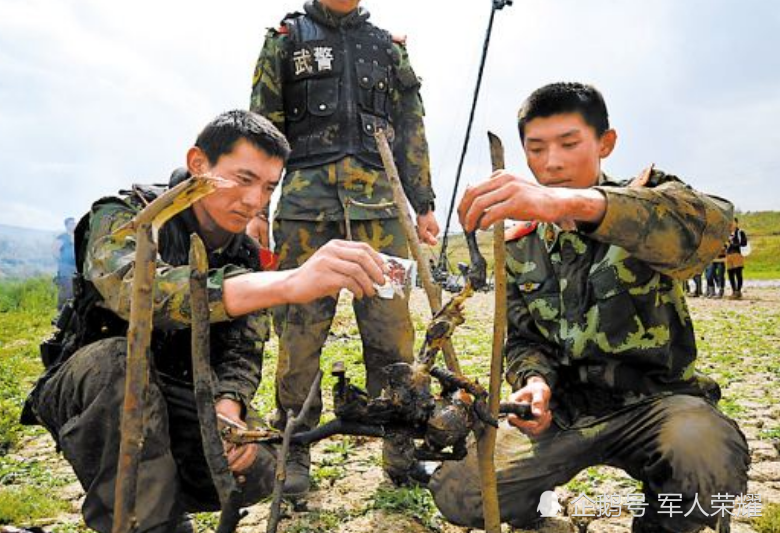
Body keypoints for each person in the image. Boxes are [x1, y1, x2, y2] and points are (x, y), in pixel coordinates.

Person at [21, 110, 390, 533]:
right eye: (243, 178)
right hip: (94, 388)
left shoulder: (244, 254)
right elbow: (138, 292)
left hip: (179, 395)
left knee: (262, 462)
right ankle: (151, 521)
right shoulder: (129, 215)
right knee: (119, 361)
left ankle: (158, 495)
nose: (255, 201)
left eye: (269, 187)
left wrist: (228, 405)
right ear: (199, 164)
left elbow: (242, 350)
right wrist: (287, 283)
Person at [428, 83, 749, 532]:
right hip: (568, 414)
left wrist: (574, 203)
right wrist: (535, 383)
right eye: (536, 148)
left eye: (569, 143)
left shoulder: (645, 202)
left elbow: (712, 225)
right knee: (462, 493)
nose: (552, 162)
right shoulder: (521, 245)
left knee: (702, 460)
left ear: (606, 143)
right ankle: (555, 521)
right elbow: (523, 339)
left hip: (657, 403)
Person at [250, 0, 438, 493]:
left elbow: (411, 127)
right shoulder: (286, 40)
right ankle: (294, 449)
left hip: (381, 211)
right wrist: (255, 208)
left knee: (393, 333)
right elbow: (262, 130)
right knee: (299, 333)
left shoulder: (388, 48)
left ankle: (399, 446)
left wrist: (423, 204)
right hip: (303, 216)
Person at [52, 216, 77, 310]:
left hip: (76, 267)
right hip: (65, 267)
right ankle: (60, 310)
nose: (74, 225)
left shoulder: (77, 236)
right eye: (71, 223)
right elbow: (54, 250)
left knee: (75, 289)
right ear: (66, 225)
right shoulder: (62, 237)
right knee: (66, 289)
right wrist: (62, 261)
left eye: (74, 223)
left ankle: (71, 311)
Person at [725, 217, 748, 299]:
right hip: (729, 255)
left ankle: (738, 291)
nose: (731, 224)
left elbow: (744, 243)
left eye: (733, 222)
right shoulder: (727, 234)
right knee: (730, 273)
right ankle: (733, 291)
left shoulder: (740, 232)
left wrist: (733, 243)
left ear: (737, 223)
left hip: (737, 254)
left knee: (738, 273)